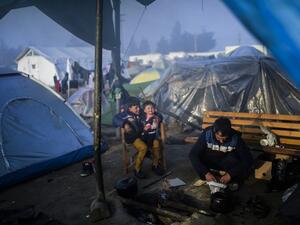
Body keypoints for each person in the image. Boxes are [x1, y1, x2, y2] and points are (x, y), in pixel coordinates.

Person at [189, 117, 253, 185]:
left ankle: (227, 178)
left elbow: (248, 159)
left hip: (226, 162)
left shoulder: (235, 137)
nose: (221, 141)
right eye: (218, 138)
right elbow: (192, 154)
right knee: (198, 157)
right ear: (214, 131)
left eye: (224, 139)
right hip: (211, 159)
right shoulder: (207, 134)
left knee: (244, 171)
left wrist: (230, 174)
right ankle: (207, 177)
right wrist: (206, 173)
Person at [140, 101, 165, 176]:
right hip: (144, 137)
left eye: (152, 108)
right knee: (143, 147)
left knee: (156, 145)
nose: (150, 110)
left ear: (155, 109)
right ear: (144, 110)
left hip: (154, 136)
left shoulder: (156, 117)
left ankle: (155, 165)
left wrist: (153, 123)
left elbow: (154, 125)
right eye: (148, 108)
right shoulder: (141, 118)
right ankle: (139, 167)